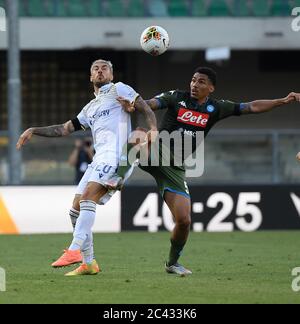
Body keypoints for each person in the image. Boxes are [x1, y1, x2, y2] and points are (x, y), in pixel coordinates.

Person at [114, 66, 300, 276]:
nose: (195, 84)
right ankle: (118, 177)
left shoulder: (217, 108)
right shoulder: (176, 97)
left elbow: (252, 107)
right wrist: (134, 105)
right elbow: (151, 104)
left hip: (175, 168)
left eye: (201, 81)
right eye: (193, 80)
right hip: (156, 152)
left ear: (211, 88)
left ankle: (172, 263)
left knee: (184, 221)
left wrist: (282, 101)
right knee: (139, 133)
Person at [16, 59, 157, 276]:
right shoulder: (90, 108)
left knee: (88, 198)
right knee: (74, 210)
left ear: (111, 74)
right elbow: (64, 129)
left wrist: (153, 129)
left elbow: (145, 107)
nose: (100, 71)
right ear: (91, 77)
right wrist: (34, 129)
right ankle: (89, 263)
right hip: (99, 159)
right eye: (95, 69)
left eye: (105, 68)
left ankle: (74, 250)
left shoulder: (119, 89)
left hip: (116, 156)